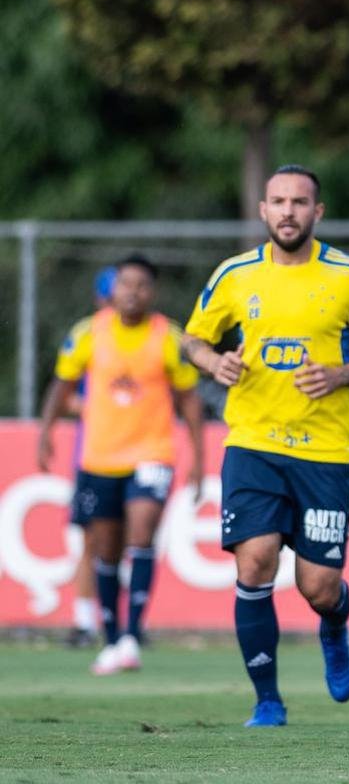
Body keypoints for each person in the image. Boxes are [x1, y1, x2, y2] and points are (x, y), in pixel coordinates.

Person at [182, 164, 349, 728]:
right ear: (263, 210)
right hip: (253, 442)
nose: (288, 212)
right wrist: (213, 361)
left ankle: (335, 628)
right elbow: (192, 339)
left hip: (325, 450)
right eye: (277, 201)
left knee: (318, 587)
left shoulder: (348, 275)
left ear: (317, 212)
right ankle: (268, 701)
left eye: (299, 202)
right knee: (254, 563)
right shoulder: (235, 275)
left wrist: (341, 374)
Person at [38, 255, 205, 674]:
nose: (133, 291)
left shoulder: (169, 337)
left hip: (151, 455)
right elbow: (61, 386)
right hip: (99, 458)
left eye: (142, 285)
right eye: (125, 284)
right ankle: (112, 640)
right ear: (112, 291)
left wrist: (200, 458)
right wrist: (45, 434)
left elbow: (188, 399)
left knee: (142, 532)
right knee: (106, 549)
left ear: (154, 292)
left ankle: (132, 633)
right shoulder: (88, 333)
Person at [62, 265, 118, 649]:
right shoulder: (88, 336)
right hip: (94, 453)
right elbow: (65, 394)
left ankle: (125, 622)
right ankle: (84, 621)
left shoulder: (153, 336)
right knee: (90, 541)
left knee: (131, 542)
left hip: (138, 453)